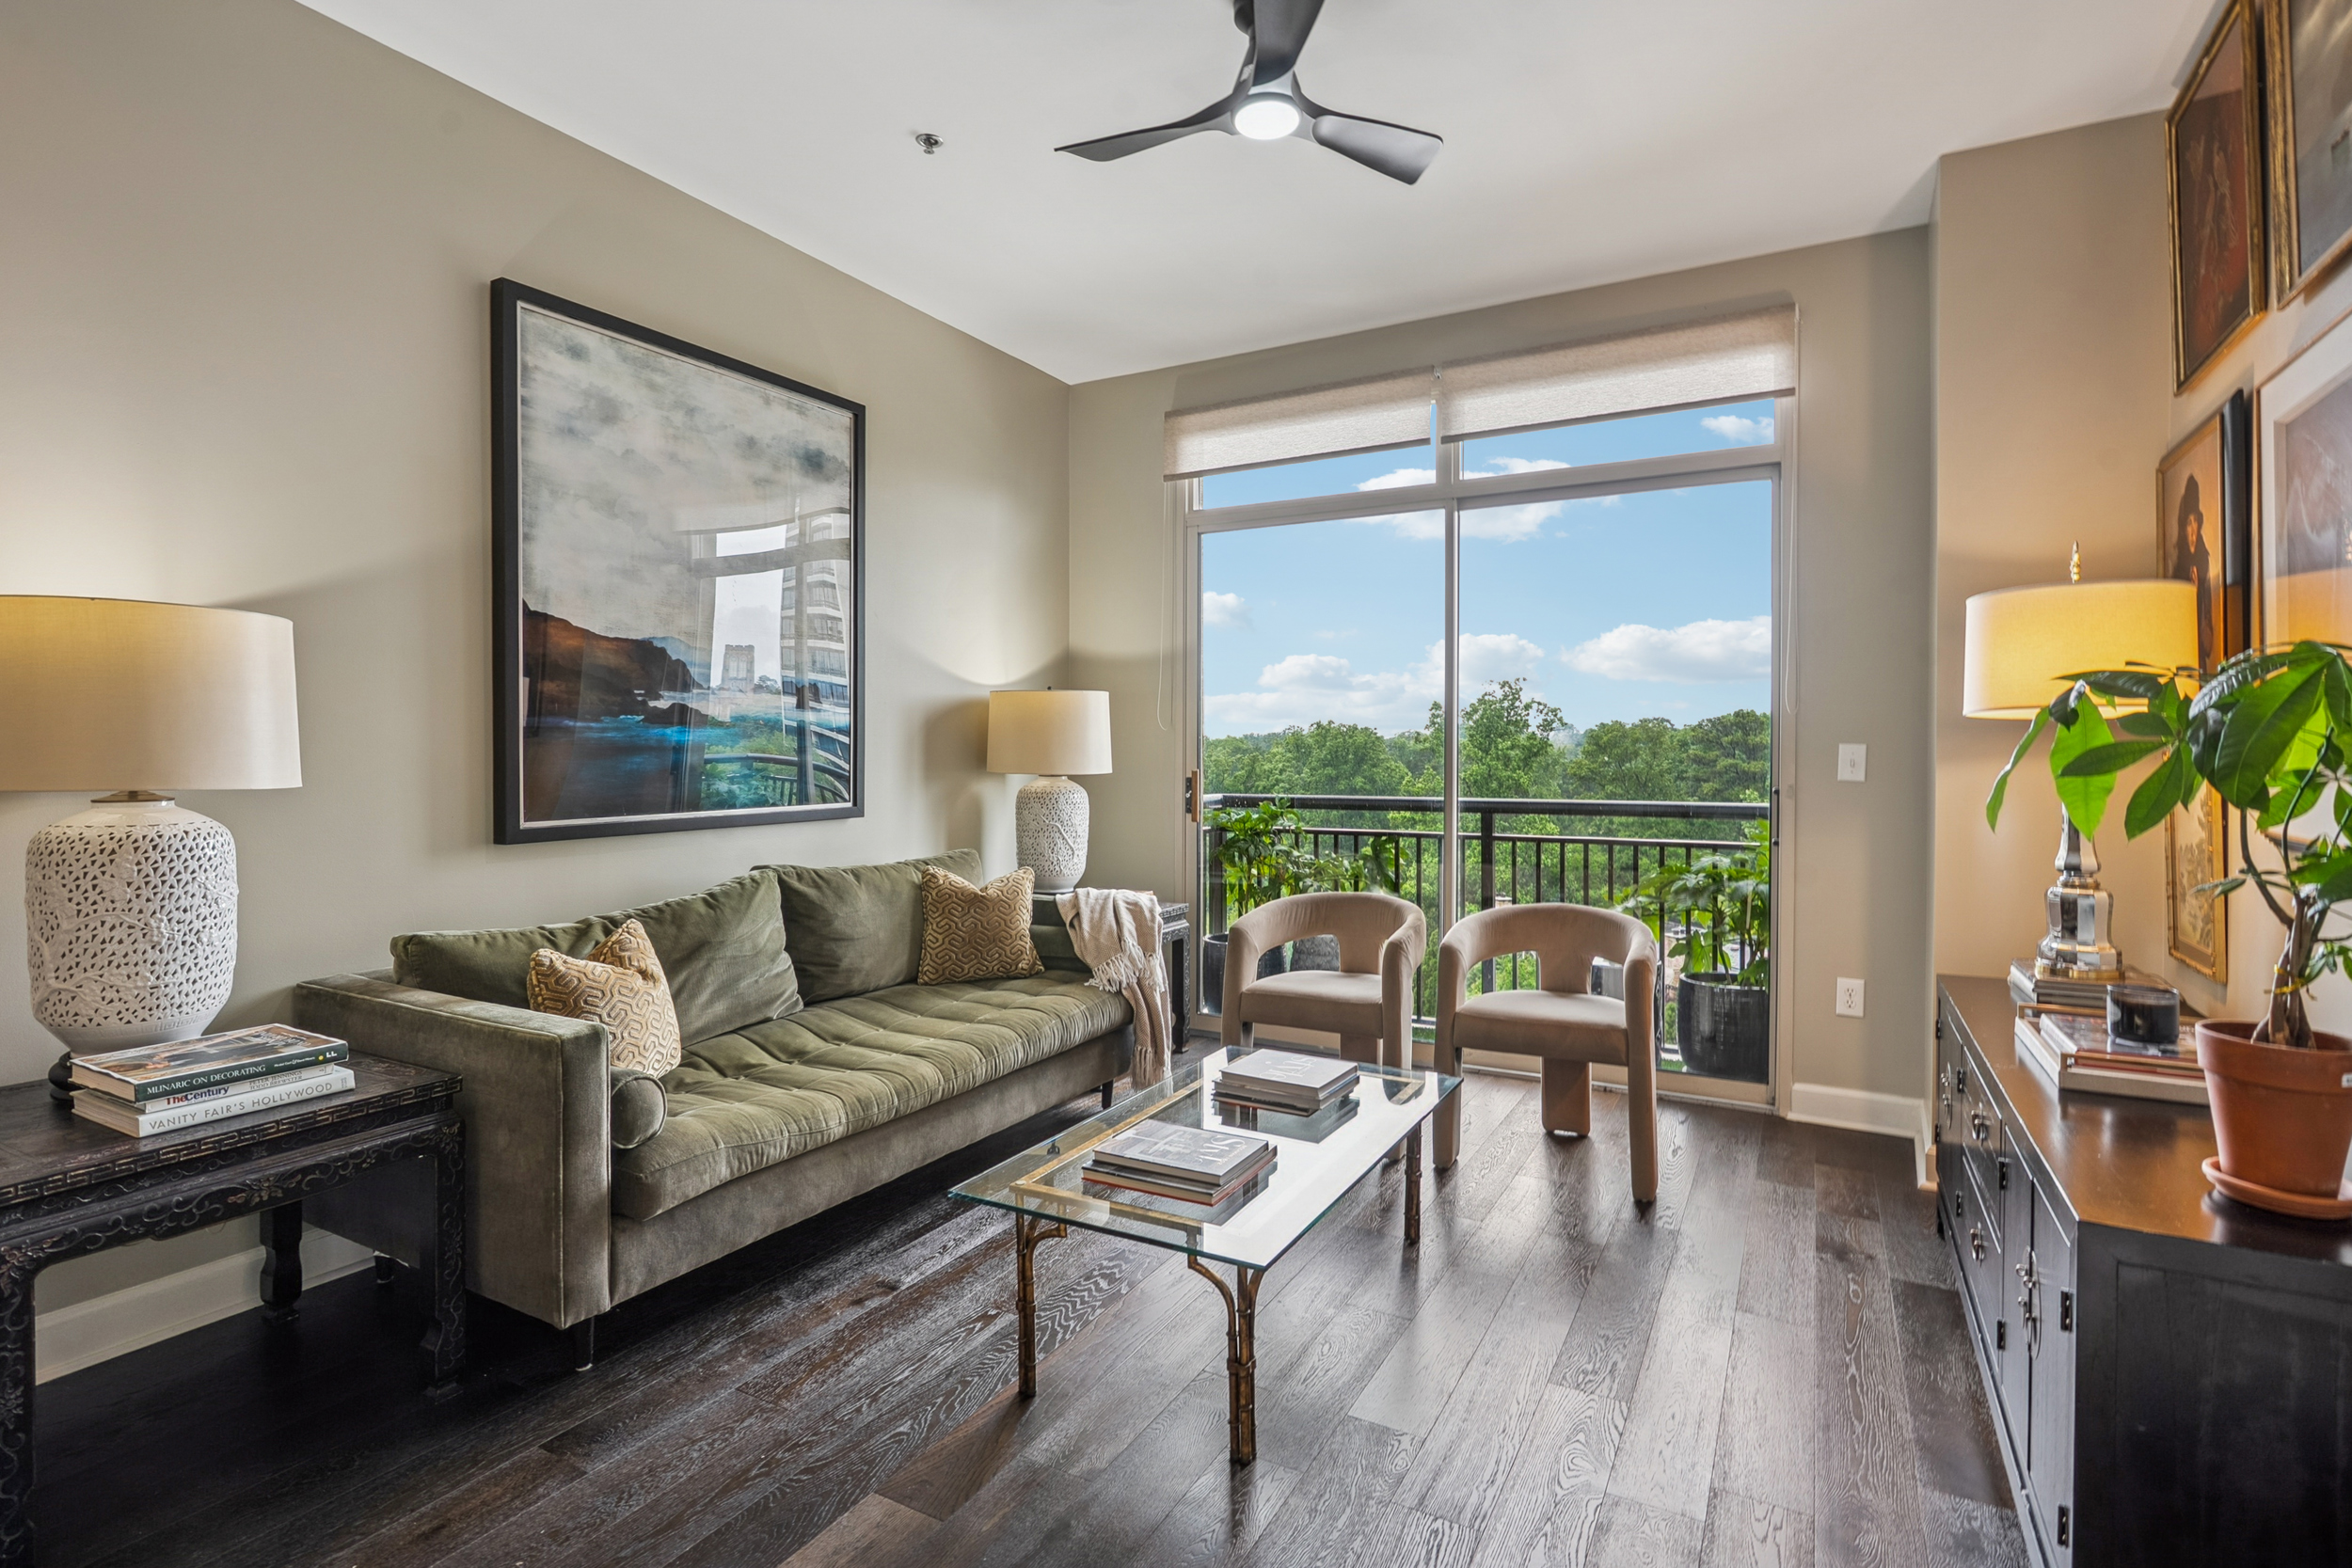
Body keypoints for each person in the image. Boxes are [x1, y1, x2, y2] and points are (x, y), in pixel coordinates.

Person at [2175, 474, 2216, 673]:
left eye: (2196, 522)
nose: (2193, 530)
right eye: (2189, 523)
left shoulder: (2204, 561)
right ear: (2183, 529)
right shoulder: (2178, 569)